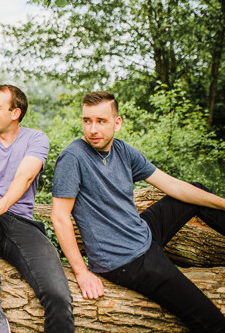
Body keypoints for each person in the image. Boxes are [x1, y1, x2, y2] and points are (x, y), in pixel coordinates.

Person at [52, 91, 225, 332]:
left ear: (117, 123)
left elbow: (172, 185)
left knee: (197, 192)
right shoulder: (73, 157)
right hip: (124, 260)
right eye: (87, 120)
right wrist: (82, 273)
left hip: (141, 231)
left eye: (101, 121)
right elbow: (59, 217)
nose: (92, 129)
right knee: (212, 321)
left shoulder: (123, 150)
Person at [0, 85, 73, 333]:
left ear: (15, 113)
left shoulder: (35, 139)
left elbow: (25, 177)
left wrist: (0, 207)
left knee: (58, 295)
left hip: (17, 223)